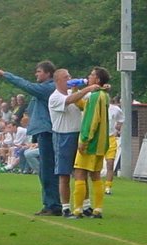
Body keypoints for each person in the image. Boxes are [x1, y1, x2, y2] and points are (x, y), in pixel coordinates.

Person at [0, 61, 61, 216]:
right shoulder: (47, 89)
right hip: (42, 131)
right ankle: (49, 203)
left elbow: (26, 85)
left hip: (47, 131)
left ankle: (54, 204)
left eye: (39, 72)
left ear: (48, 73)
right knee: (45, 170)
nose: (36, 74)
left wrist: (6, 75)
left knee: (48, 170)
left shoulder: (47, 88)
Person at [48, 68, 100, 217]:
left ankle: (85, 205)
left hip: (78, 135)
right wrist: (86, 88)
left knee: (81, 172)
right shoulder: (55, 97)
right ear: (58, 81)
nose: (69, 79)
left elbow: (85, 99)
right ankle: (65, 207)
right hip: (63, 136)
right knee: (64, 174)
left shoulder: (73, 93)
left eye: (70, 76)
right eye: (66, 77)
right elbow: (70, 100)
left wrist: (100, 87)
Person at [72, 67, 110, 219]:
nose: (89, 76)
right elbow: (83, 106)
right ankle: (98, 209)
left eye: (92, 74)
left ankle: (78, 210)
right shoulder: (103, 95)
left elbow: (91, 120)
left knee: (79, 174)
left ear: (98, 80)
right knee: (95, 176)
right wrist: (76, 91)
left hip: (91, 143)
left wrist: (85, 139)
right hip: (101, 143)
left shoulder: (95, 96)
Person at [104, 95, 125, 195]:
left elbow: (121, 119)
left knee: (110, 163)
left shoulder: (115, 109)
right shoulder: (95, 107)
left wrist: (117, 128)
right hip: (98, 139)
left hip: (110, 138)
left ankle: (108, 187)